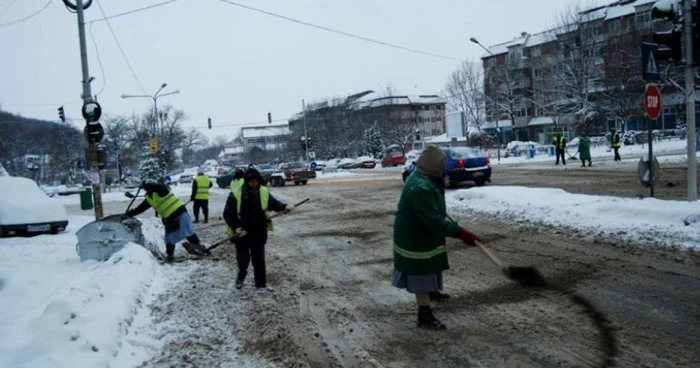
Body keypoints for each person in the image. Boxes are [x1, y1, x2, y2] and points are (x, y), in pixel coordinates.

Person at [392, 145, 481, 330]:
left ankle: (432, 291)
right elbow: (434, 222)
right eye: (442, 164)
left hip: (423, 231)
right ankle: (424, 314)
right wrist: (460, 232)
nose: (444, 167)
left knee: (433, 259)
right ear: (433, 165)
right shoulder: (421, 187)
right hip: (414, 235)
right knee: (421, 270)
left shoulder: (425, 178)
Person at [223, 167, 292, 291]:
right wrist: (236, 227)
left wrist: (285, 207)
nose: (254, 184)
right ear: (247, 181)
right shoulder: (236, 193)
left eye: (256, 181)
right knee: (243, 260)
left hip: (259, 230)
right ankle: (240, 278)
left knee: (259, 259)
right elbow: (228, 213)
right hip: (242, 233)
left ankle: (261, 283)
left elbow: (274, 203)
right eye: (251, 181)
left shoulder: (264, 191)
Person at [126, 179, 208, 262]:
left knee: (187, 231)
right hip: (171, 216)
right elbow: (140, 208)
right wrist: (129, 214)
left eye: (146, 188)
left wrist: (152, 185)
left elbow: (160, 187)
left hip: (179, 211)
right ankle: (170, 255)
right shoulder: (149, 198)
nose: (145, 190)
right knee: (169, 237)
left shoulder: (161, 189)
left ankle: (199, 247)